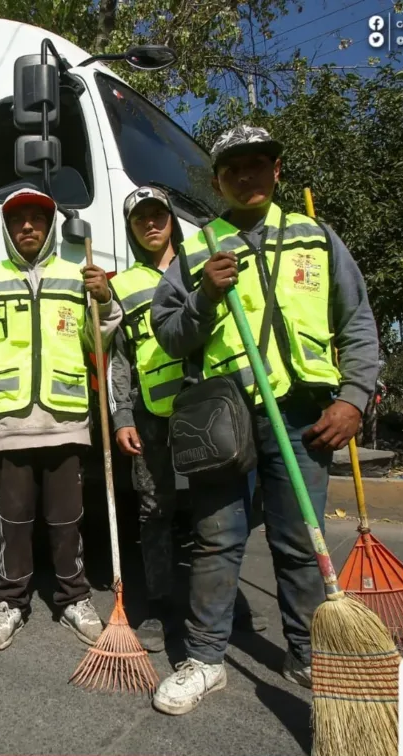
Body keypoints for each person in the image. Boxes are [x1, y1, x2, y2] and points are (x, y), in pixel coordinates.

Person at [148, 125, 379, 715]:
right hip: (224, 419)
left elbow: (357, 324)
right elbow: (169, 335)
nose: (246, 177)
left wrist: (353, 398)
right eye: (233, 170)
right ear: (217, 180)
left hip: (305, 417)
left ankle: (306, 654)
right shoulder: (197, 250)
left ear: (276, 171)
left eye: (257, 166)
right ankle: (203, 659)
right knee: (216, 539)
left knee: (302, 543)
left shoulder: (318, 237)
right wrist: (203, 297)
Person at [0, 188, 121, 652]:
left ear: (49, 228)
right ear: (7, 229)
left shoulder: (78, 276)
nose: (28, 226)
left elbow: (100, 338)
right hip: (7, 423)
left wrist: (104, 301)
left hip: (65, 420)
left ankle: (73, 598)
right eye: (18, 220)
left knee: (68, 519)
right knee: (13, 519)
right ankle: (11, 601)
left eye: (37, 219)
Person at [107, 187, 266, 655]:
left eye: (159, 215)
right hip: (150, 416)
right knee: (155, 513)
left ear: (172, 220)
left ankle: (219, 599)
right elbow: (120, 359)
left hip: (205, 409)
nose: (151, 224)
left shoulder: (201, 262)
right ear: (131, 229)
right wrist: (121, 415)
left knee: (213, 512)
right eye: (140, 219)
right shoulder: (121, 285)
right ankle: (158, 607)